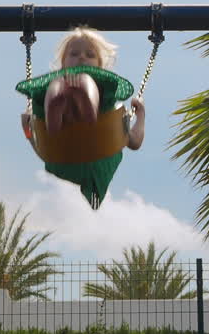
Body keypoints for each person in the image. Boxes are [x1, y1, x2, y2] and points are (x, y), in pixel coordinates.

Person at [16, 27, 145, 208]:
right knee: (60, 85)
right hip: (64, 146)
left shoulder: (108, 100)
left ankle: (76, 106)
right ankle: (66, 109)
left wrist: (29, 134)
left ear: (100, 65)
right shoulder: (60, 83)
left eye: (90, 55)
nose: (82, 57)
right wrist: (141, 117)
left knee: (83, 82)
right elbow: (135, 142)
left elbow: (133, 141)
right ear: (63, 63)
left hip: (80, 148)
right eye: (74, 54)